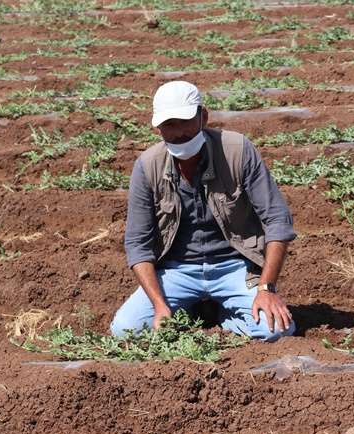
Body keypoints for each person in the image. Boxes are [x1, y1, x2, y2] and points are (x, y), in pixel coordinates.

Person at [110, 81, 296, 341]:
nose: (179, 133)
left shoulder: (237, 150)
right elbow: (137, 244)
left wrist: (266, 288)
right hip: (176, 270)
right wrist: (160, 305)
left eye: (186, 122)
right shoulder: (147, 167)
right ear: (157, 128)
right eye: (169, 125)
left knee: (276, 330)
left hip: (234, 267)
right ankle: (193, 307)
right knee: (125, 331)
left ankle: (224, 315)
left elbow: (278, 221)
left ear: (203, 116)